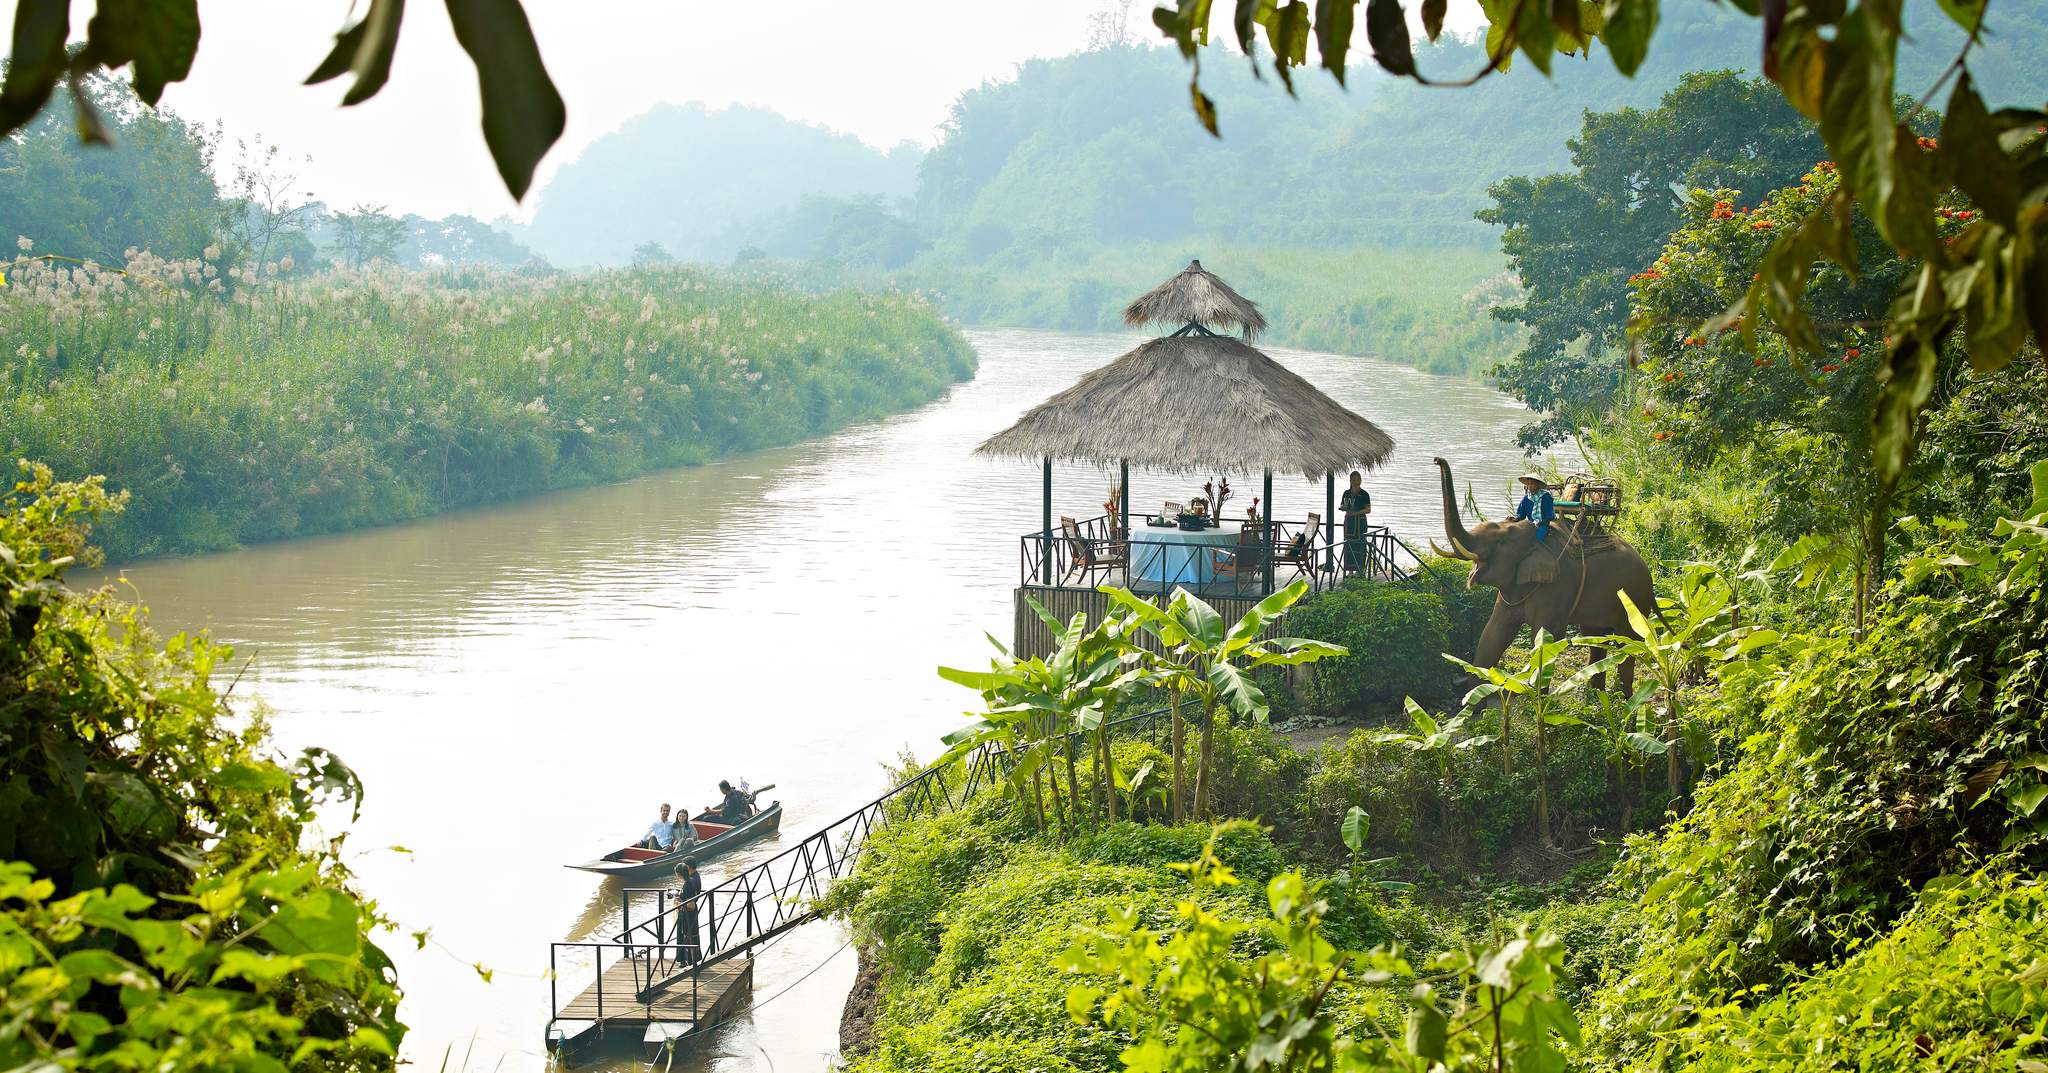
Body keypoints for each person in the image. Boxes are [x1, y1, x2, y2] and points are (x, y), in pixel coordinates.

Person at [671, 858, 703, 964]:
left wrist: (679, 905)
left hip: (689, 915)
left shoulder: (689, 883)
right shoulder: (690, 881)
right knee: (687, 936)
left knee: (689, 936)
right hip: (688, 914)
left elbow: (691, 905)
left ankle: (691, 962)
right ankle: (687, 961)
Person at [1339, 470, 1371, 573]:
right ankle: (1350, 571)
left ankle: (1360, 570)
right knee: (1348, 544)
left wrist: (1356, 512)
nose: (1356, 482)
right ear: (1350, 480)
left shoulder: (1364, 494)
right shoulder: (1346, 493)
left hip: (1360, 522)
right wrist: (1344, 508)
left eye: (1358, 479)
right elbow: (1343, 505)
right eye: (1354, 480)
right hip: (1349, 522)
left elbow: (1368, 510)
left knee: (1360, 544)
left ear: (1361, 480)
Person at [1514, 474, 1556, 544]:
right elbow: (1521, 515)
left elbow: (1550, 515)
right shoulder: (1526, 498)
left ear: (1538, 485)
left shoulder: (1546, 496)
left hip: (1542, 525)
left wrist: (1541, 523)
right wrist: (1516, 518)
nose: (1530, 486)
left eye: (1532, 484)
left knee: (1537, 540)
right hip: (1531, 524)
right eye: (1528, 484)